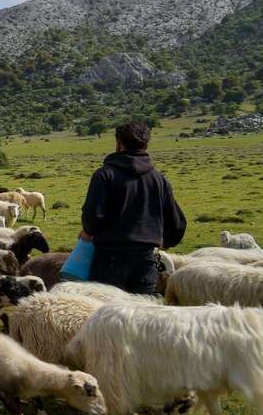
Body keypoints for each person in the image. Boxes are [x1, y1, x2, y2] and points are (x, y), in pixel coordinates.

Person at [78, 120, 186, 294]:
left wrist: (89, 231)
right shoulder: (159, 179)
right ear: (146, 144)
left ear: (118, 143)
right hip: (146, 258)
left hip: (109, 257)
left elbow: (93, 219)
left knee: (106, 311)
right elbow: (177, 224)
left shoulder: (104, 175)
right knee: (140, 313)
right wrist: (163, 242)